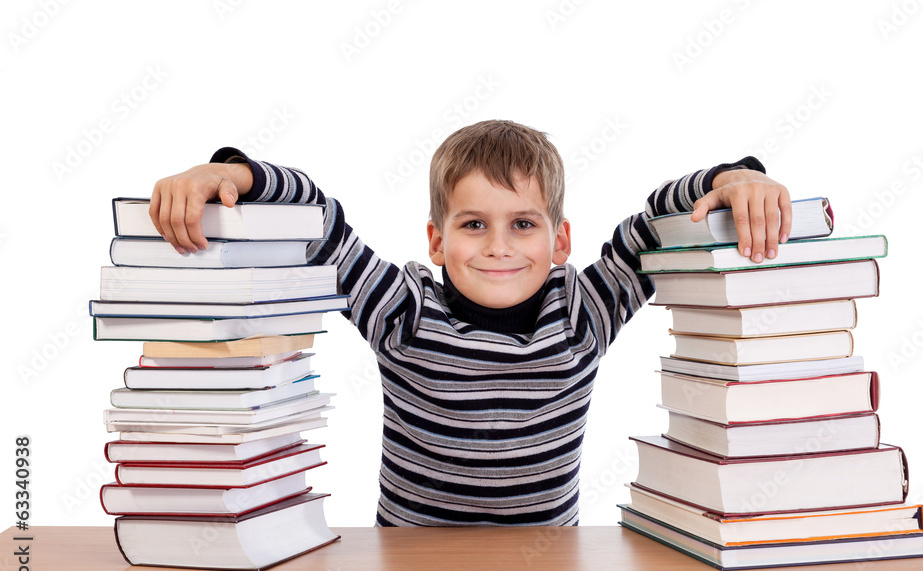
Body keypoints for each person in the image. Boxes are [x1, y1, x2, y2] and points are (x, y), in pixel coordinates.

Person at [148, 120, 792, 526]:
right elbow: (319, 221)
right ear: (437, 240)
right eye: (474, 224)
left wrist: (734, 179)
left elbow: (655, 228)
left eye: (523, 224)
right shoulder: (402, 310)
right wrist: (231, 170)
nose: (498, 246)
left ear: (559, 239)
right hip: (408, 569)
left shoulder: (583, 314)